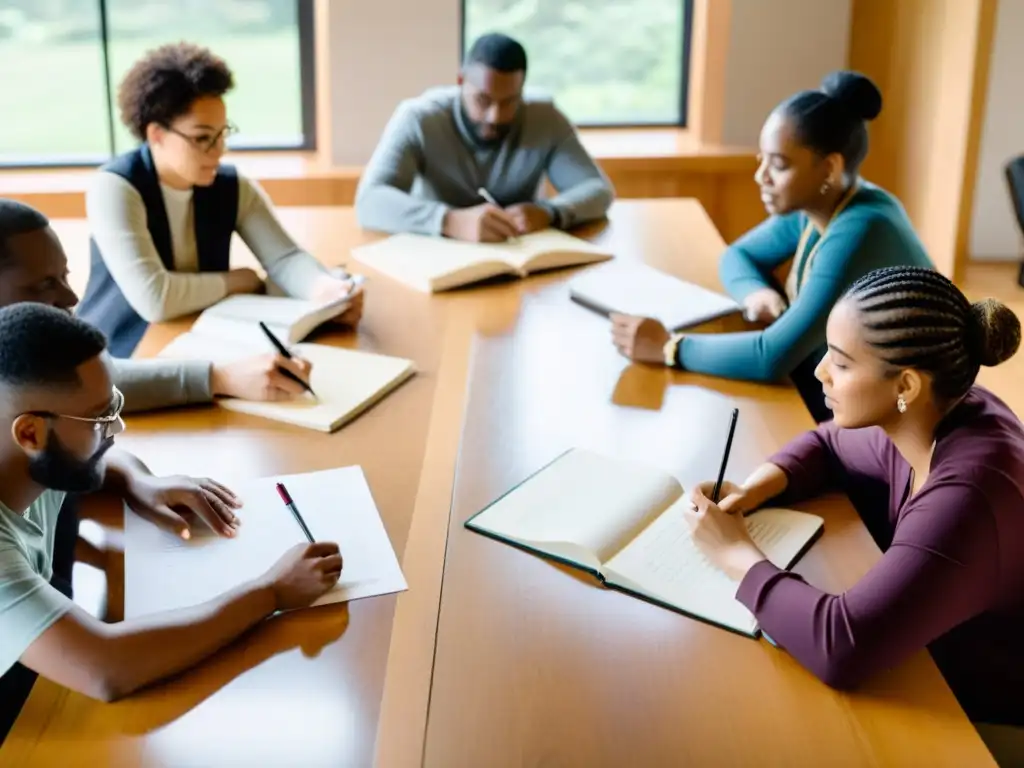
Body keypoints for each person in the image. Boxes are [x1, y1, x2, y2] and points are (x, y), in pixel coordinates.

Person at [683, 266, 1024, 755]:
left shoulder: (968, 494)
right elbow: (830, 443)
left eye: (840, 364)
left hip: (980, 716)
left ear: (905, 386)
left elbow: (841, 646)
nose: (820, 370)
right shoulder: (933, 414)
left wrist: (734, 554)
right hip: (930, 659)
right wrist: (755, 489)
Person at [0, 303, 342, 741]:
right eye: (101, 418)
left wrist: (138, 481)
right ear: (29, 433)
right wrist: (271, 590)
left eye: (114, 406)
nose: (117, 427)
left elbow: (90, 457)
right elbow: (107, 667)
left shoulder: (29, 453)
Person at [610, 71, 932, 424]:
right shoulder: (823, 202)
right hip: (847, 386)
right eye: (760, 160)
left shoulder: (862, 228)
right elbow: (737, 256)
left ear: (829, 168)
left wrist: (669, 347)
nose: (760, 176)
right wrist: (756, 293)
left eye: (778, 164)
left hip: (900, 420)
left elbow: (771, 358)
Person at [77, 42, 363, 358]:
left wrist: (325, 289)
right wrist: (240, 280)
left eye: (221, 134)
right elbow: (155, 299)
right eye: (202, 138)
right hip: (116, 355)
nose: (218, 151)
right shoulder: (115, 188)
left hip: (197, 337)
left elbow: (284, 258)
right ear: (156, 134)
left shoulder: (230, 184)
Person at [355, 32, 614, 242]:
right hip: (436, 253)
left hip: (519, 257)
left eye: (509, 102)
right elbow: (369, 201)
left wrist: (551, 212)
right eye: (483, 100)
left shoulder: (545, 119)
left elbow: (597, 190)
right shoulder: (418, 118)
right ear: (460, 81)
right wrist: (449, 221)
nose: (495, 116)